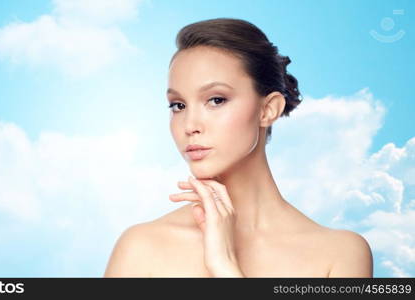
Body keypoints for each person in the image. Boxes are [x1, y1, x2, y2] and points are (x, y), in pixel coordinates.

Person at [104, 18, 373, 277]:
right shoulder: (140, 249)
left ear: (268, 110)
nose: (190, 125)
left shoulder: (340, 255)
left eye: (216, 100)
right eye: (179, 105)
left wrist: (224, 266)